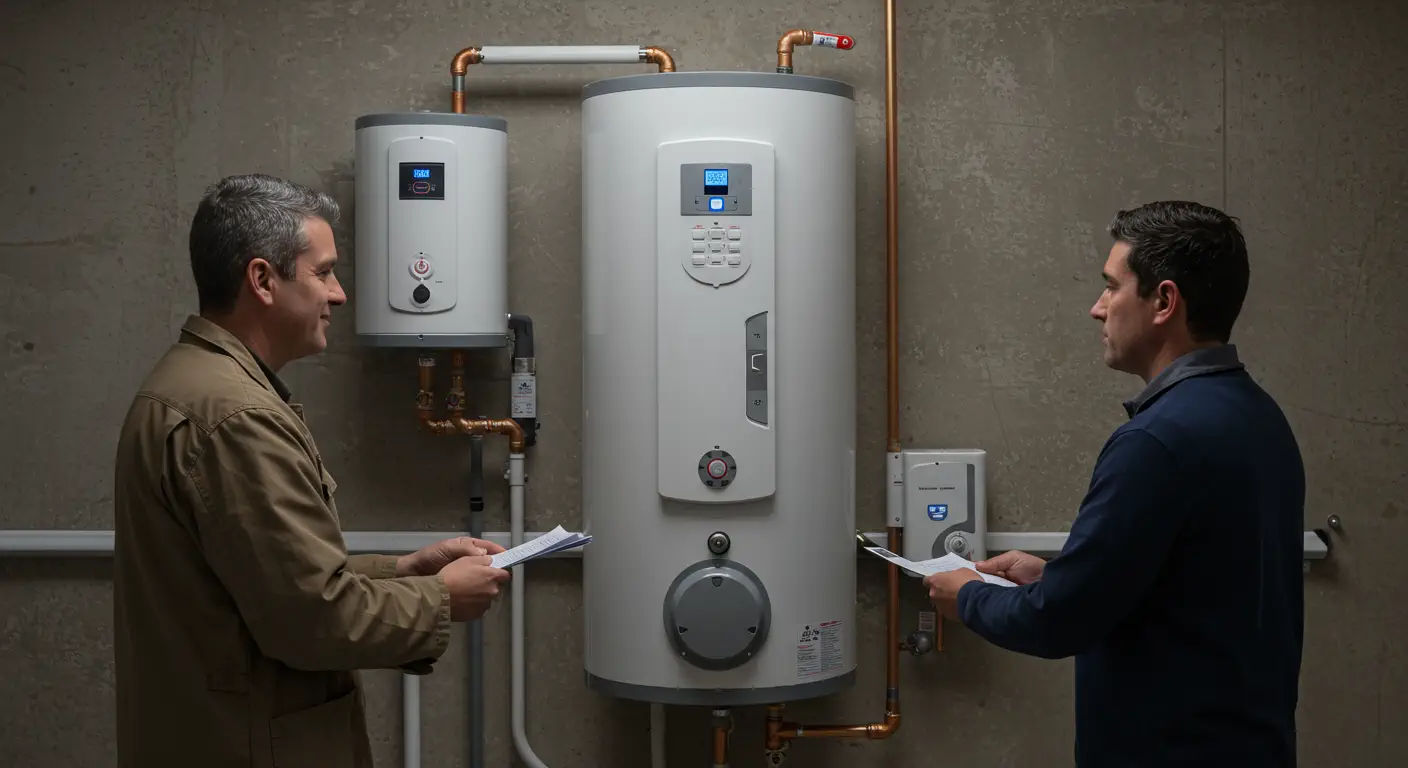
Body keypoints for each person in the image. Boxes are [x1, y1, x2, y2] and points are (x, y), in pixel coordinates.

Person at [112, 173, 512, 768]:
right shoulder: (236, 417)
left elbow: (266, 577)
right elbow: (311, 620)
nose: (340, 294)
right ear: (262, 280)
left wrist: (400, 569)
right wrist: (438, 599)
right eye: (323, 271)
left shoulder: (191, 384)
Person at [924, 201, 1305, 767]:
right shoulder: (1259, 417)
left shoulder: (1157, 441)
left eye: (1111, 287)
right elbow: (1200, 587)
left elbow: (1058, 622)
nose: (1096, 309)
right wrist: (1059, 577)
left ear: (1164, 302)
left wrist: (968, 597)